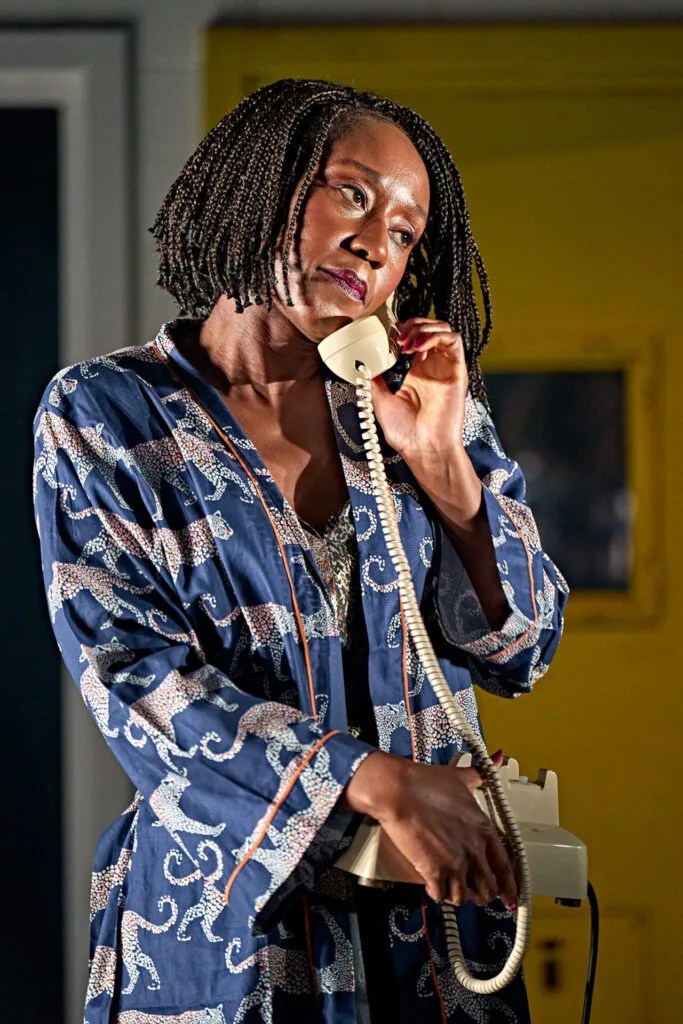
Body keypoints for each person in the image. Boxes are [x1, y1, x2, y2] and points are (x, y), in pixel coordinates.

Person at [33, 79, 568, 1024]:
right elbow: (131, 674)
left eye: (404, 232)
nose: (375, 245)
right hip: (228, 929)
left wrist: (440, 465)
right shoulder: (105, 413)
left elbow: (523, 648)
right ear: (263, 183)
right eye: (351, 194)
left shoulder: (417, 406)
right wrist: (379, 783)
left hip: (433, 936)